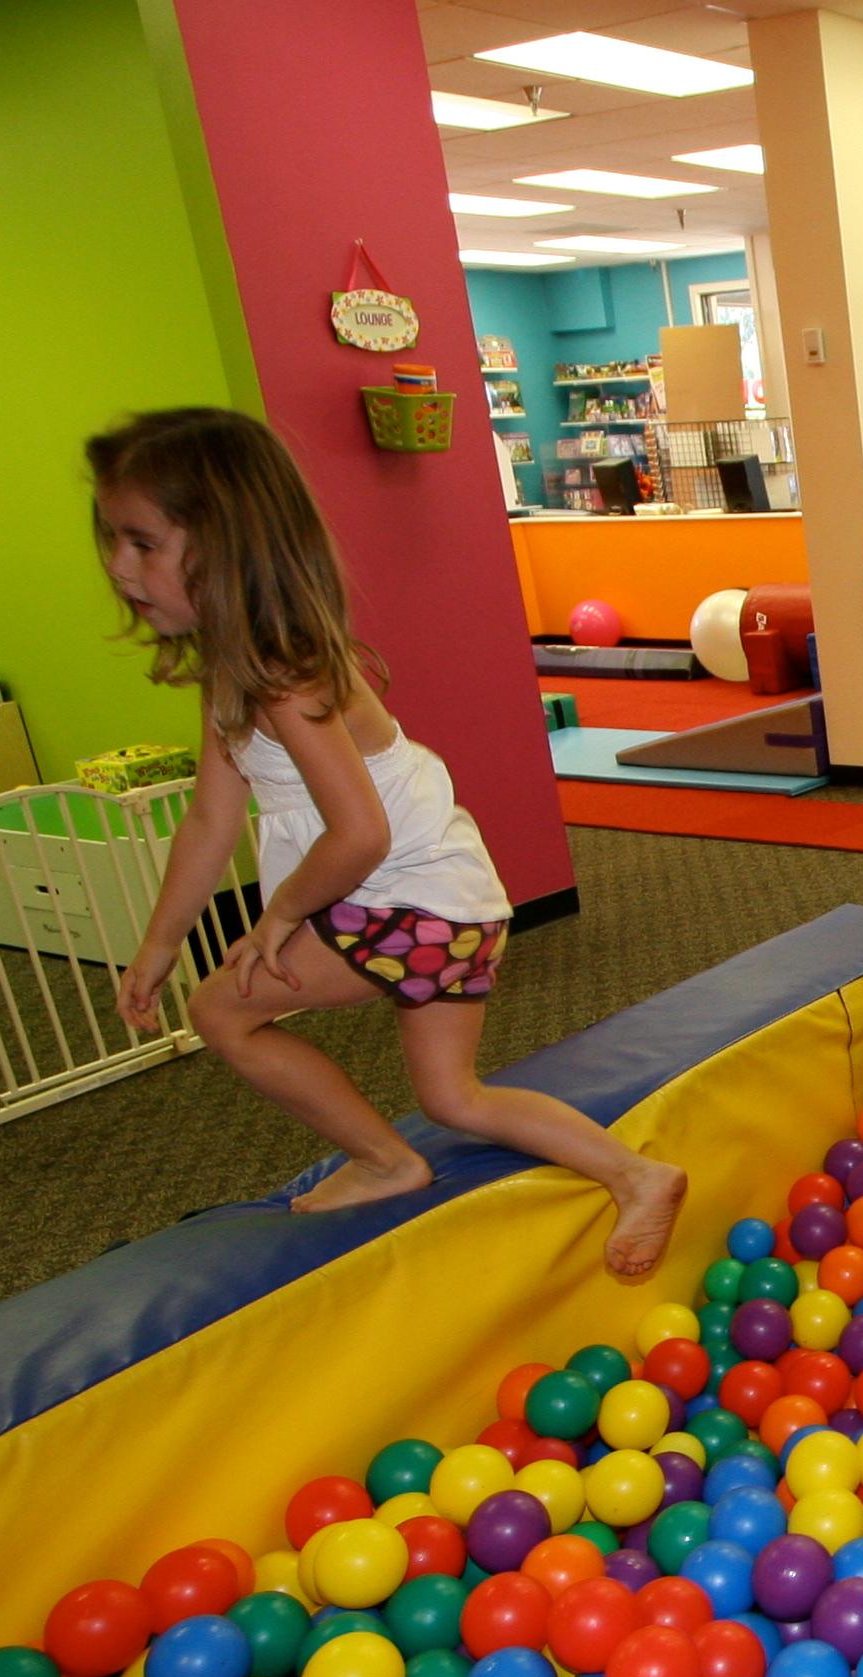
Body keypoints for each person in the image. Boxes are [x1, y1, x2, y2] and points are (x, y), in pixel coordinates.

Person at [91, 407, 684, 1272]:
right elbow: (210, 820)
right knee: (454, 1097)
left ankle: (382, 1160)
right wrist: (159, 940)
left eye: (143, 543)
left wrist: (278, 919)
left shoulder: (285, 679)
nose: (119, 566)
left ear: (224, 547)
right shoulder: (235, 667)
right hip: (431, 900)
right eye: (113, 540)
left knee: (222, 1012)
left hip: (406, 900)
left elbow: (359, 832)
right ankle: (637, 1174)